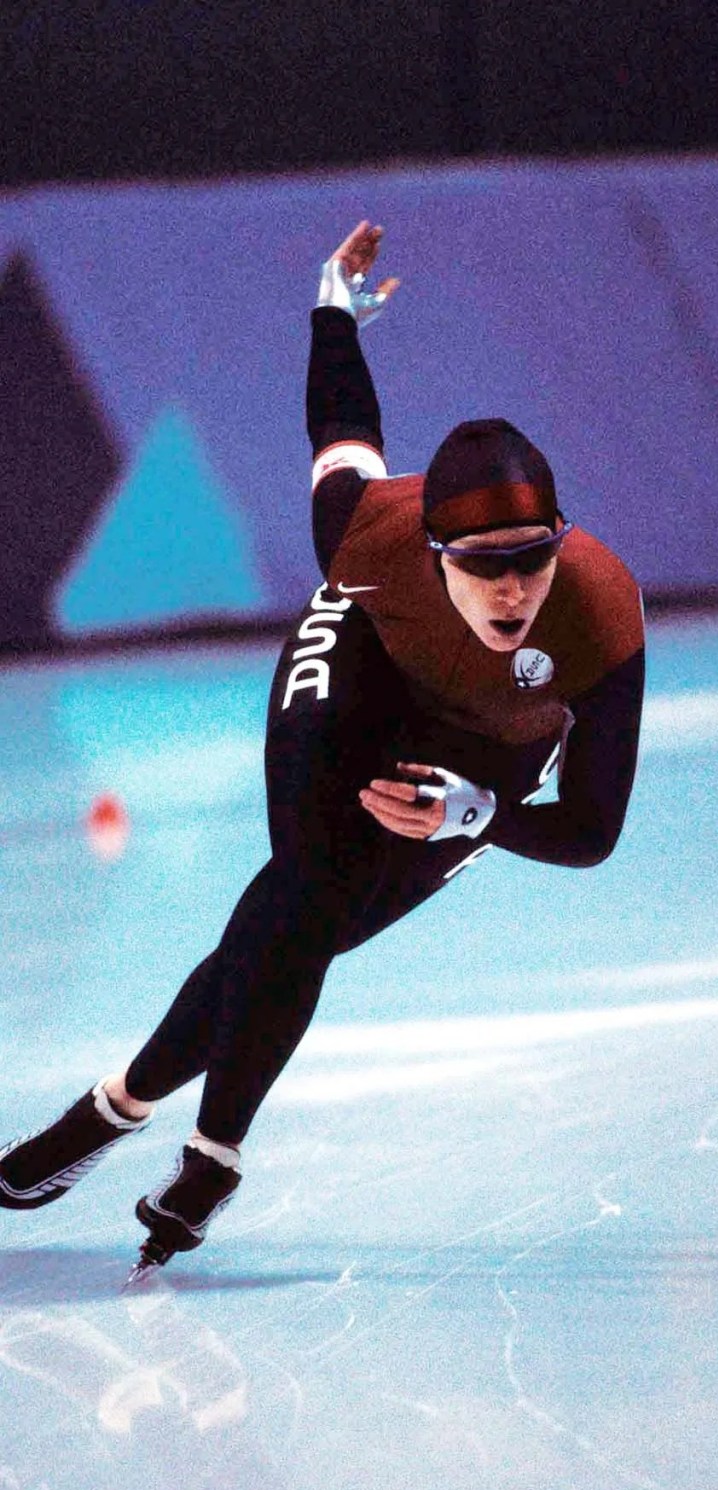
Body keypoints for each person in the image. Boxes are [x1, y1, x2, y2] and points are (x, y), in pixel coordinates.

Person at [0, 220, 645, 1278]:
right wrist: (331, 309)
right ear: (434, 551)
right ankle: (212, 1156)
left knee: (318, 928)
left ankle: (111, 1109)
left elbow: (590, 832)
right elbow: (344, 433)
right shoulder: (373, 537)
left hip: (487, 750)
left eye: (531, 559)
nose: (514, 588)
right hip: (359, 669)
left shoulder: (601, 613)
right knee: (311, 881)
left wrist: (474, 813)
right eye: (484, 565)